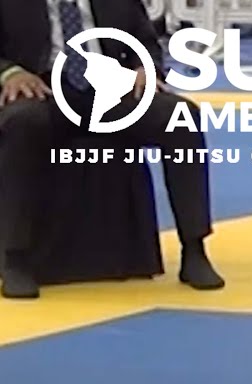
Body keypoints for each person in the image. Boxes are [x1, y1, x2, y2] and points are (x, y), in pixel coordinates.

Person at [0, 0, 224, 299]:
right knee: (23, 122)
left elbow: (145, 40)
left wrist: (146, 68)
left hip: (108, 86)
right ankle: (14, 258)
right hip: (41, 86)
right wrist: (9, 72)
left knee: (180, 118)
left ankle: (194, 249)